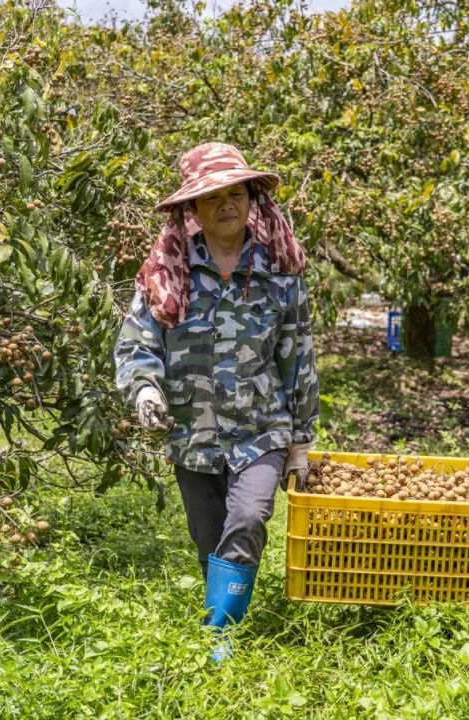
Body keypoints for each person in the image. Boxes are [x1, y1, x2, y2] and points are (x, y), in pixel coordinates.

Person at [113, 143, 318, 660]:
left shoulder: (280, 272)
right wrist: (144, 389)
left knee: (248, 518)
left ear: (252, 200)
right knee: (210, 541)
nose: (227, 205)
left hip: (261, 428)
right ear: (193, 210)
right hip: (193, 432)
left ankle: (221, 639)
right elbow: (137, 343)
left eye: (237, 193)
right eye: (213, 197)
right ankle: (222, 606)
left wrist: (300, 441)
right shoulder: (168, 272)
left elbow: (299, 358)